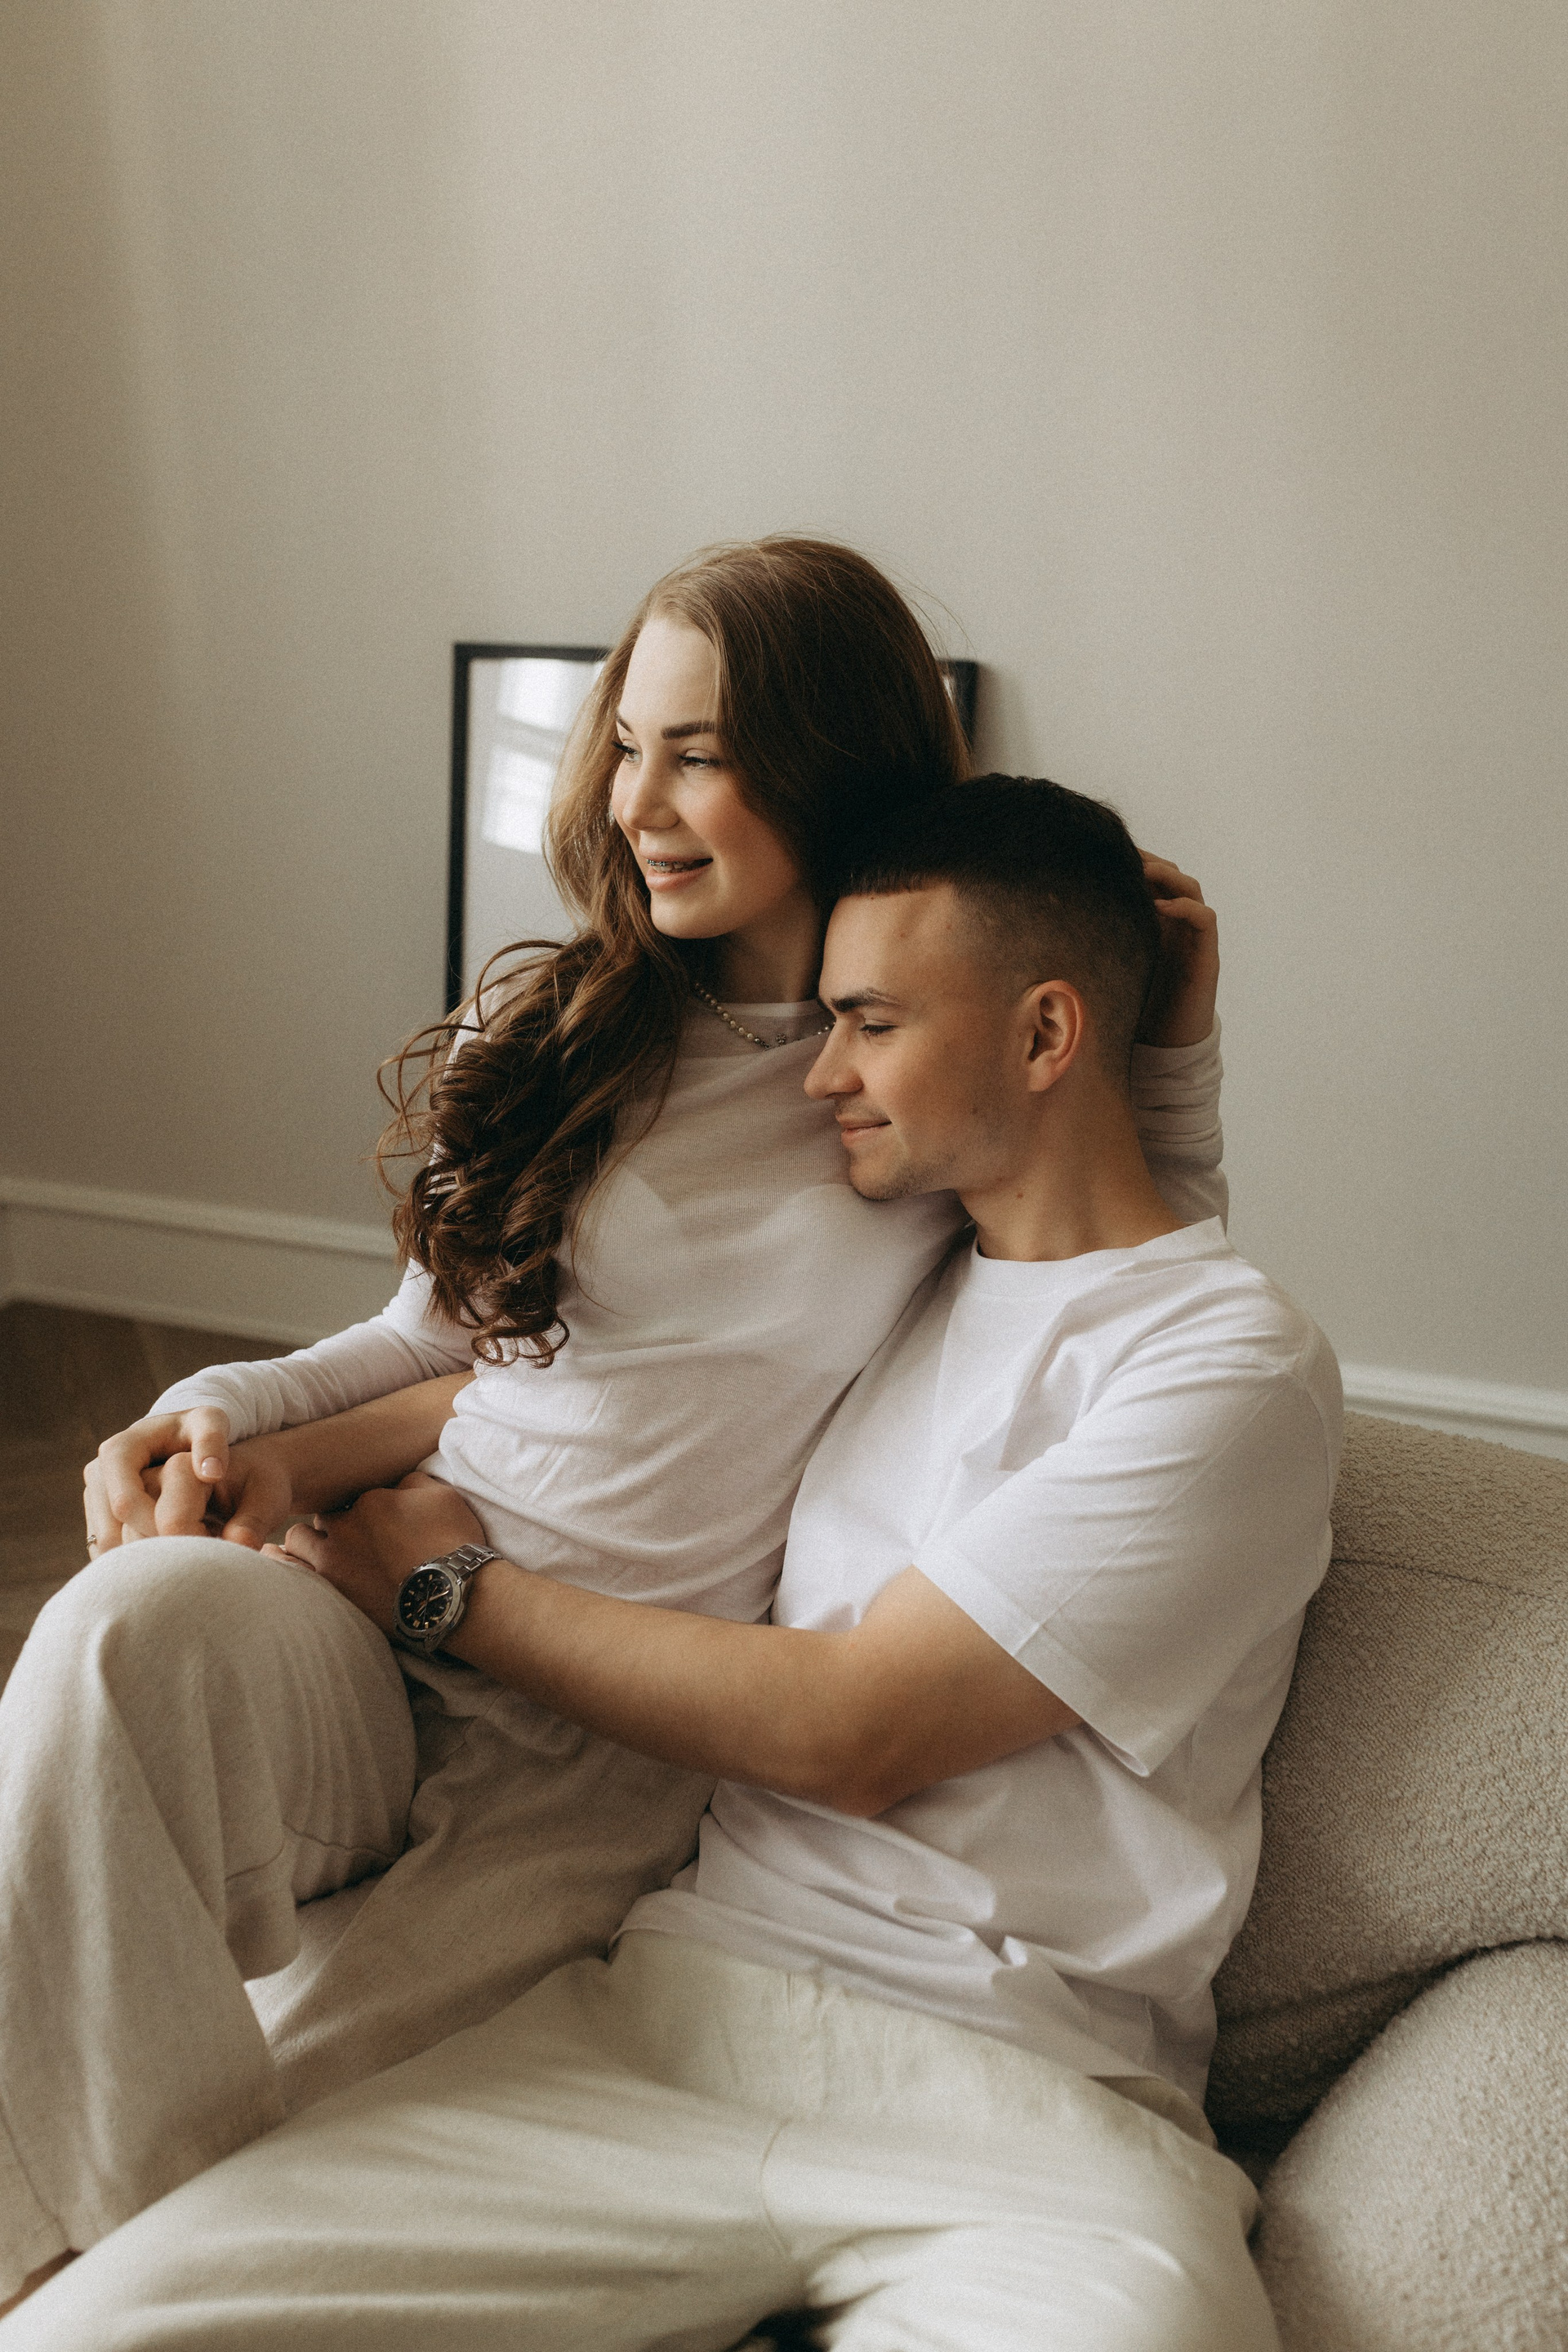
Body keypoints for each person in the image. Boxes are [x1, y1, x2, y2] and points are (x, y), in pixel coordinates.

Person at [0, 549, 1226, 2311]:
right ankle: (56, 2247)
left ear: (830, 762)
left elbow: (1124, 1247)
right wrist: (208, 1413)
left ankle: (113, 2276)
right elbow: (436, 1337)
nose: (638, 802)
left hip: (598, 1749)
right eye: (629, 744)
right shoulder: (570, 1024)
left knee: (305, 2129)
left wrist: (1171, 1033)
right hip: (371, 1616)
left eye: (699, 755)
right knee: (116, 1629)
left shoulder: (908, 1080)